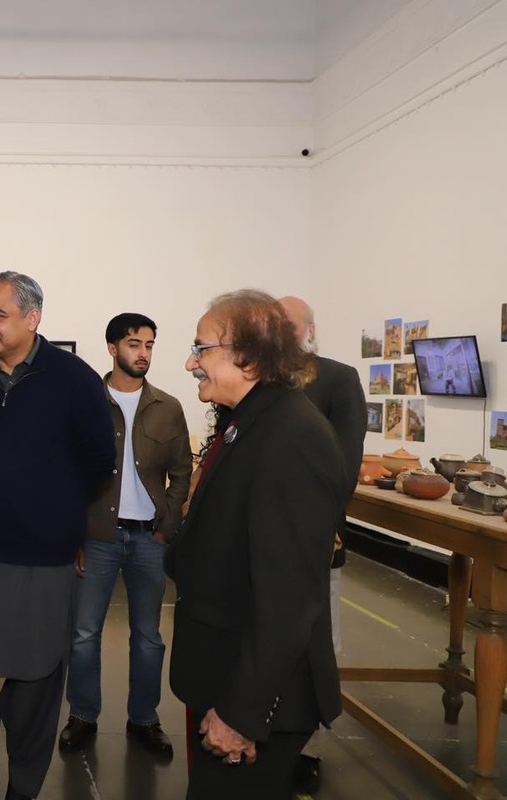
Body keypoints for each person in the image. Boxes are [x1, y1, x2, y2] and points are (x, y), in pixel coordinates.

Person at [0, 272, 115, 800]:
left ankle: (24, 786)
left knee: (35, 679)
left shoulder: (75, 379)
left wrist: (49, 503)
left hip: (43, 554)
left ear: (32, 318)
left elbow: (98, 461)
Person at [170, 290, 347, 799]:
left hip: (254, 702)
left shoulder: (290, 437)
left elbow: (289, 600)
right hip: (224, 674)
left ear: (246, 358)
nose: (190, 363)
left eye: (201, 349)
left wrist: (242, 714)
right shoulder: (250, 422)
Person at [58, 313, 191, 759]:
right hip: (97, 537)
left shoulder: (168, 407)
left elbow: (182, 472)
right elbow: (67, 472)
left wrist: (167, 526)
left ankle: (144, 719)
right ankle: (82, 716)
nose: (144, 353)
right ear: (113, 348)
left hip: (150, 539)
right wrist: (74, 536)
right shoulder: (86, 402)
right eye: (135, 344)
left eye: (150, 345)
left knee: (148, 637)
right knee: (84, 634)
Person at [278, 295, 366, 793]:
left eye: (290, 324)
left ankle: (305, 747)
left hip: (316, 535)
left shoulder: (338, 379)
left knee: (317, 640)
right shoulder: (259, 378)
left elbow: (345, 462)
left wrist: (327, 523)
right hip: (266, 534)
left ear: (310, 330)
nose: (283, 332)